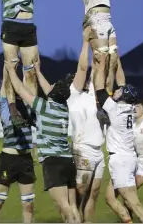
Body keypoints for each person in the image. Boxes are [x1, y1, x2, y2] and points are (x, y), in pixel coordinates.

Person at [5, 28, 91, 223]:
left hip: (52, 163)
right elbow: (50, 90)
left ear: (53, 95)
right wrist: (37, 71)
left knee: (64, 208)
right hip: (67, 161)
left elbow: (20, 89)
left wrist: (11, 71)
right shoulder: (63, 108)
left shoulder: (43, 107)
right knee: (72, 207)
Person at [95, 54, 143, 223]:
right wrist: (117, 60)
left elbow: (99, 88)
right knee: (110, 198)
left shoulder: (115, 109)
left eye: (119, 91)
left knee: (133, 202)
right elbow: (122, 82)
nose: (116, 90)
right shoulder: (127, 107)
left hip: (120, 160)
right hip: (127, 158)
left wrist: (102, 64)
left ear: (123, 97)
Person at [0, 66, 36, 223]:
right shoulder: (5, 106)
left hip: (26, 159)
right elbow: (7, 81)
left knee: (28, 206)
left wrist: (29, 65)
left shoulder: (26, 105)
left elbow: (28, 81)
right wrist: (9, 62)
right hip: (8, 159)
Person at [68, 67, 105, 223]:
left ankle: (87, 221)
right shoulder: (72, 95)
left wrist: (98, 56)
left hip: (99, 151)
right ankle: (72, 218)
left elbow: (96, 72)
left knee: (94, 192)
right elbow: (83, 69)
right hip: (83, 149)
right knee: (81, 190)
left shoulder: (92, 95)